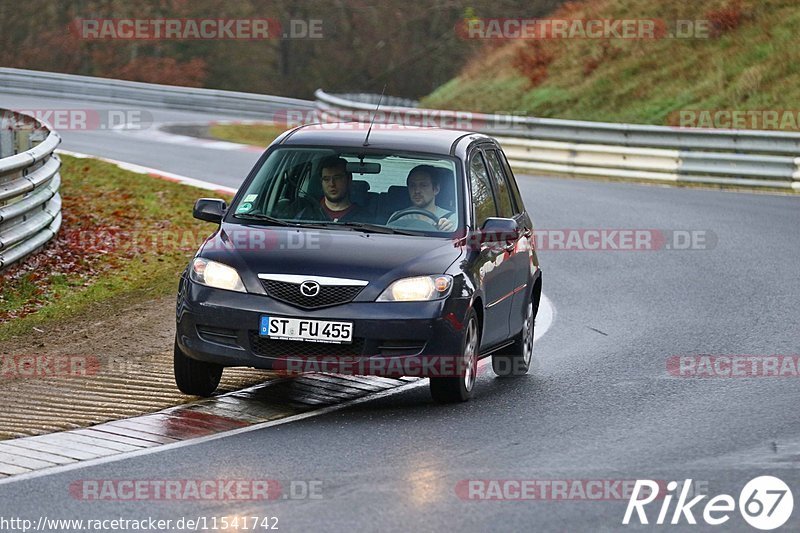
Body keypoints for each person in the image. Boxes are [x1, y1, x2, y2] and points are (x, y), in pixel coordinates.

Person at [296, 156, 370, 223]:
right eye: (326, 179)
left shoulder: (366, 218)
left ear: (349, 179)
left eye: (337, 178)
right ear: (321, 182)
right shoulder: (305, 213)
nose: (332, 184)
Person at [388, 165, 456, 231]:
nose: (417, 191)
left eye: (423, 185)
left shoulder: (450, 219)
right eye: (412, 185)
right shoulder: (398, 217)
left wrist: (449, 231)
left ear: (436, 189)